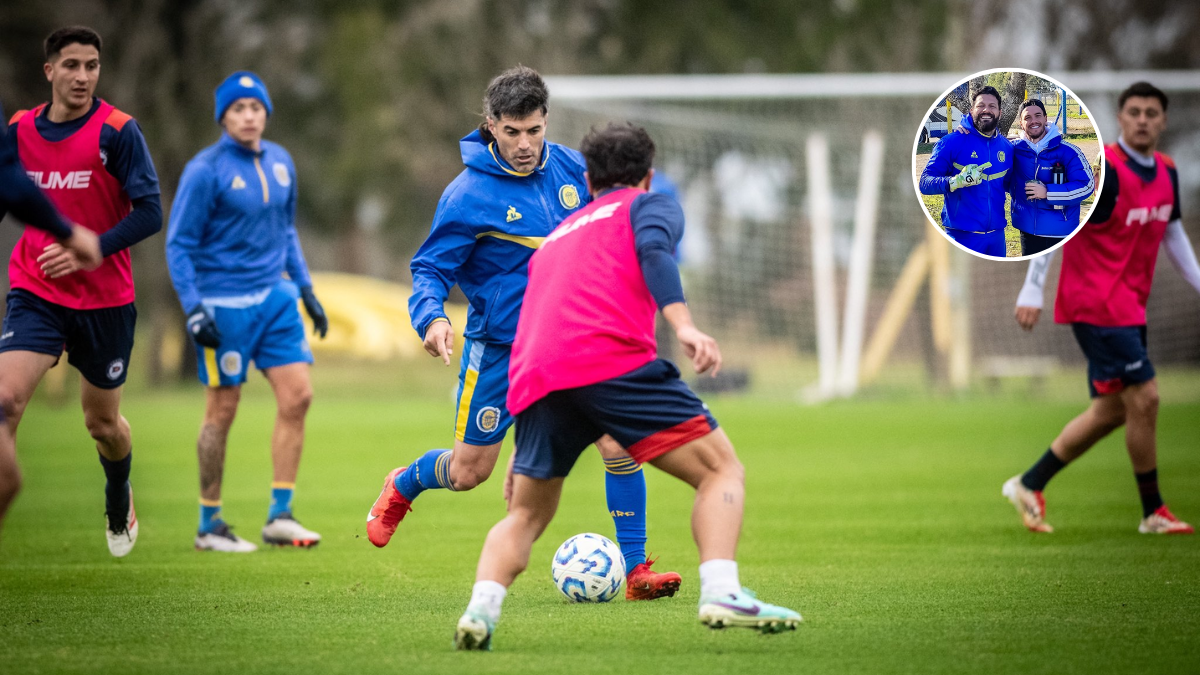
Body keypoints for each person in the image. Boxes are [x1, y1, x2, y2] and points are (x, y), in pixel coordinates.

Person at [453, 123, 802, 651]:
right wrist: (683, 325)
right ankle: (723, 592)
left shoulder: (555, 240)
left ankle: (480, 612)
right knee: (721, 469)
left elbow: (534, 325)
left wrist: (522, 437)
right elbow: (656, 254)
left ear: (588, 179)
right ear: (649, 176)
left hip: (538, 377)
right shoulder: (648, 206)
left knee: (525, 514)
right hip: (607, 360)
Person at [366, 66, 681, 600]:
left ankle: (635, 571)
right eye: (511, 132)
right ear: (491, 125)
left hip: (572, 343)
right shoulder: (466, 195)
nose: (524, 144)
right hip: (502, 349)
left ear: (546, 121)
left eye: (533, 130)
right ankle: (405, 483)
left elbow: (609, 230)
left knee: (616, 440)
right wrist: (433, 317)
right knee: (469, 473)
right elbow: (430, 269)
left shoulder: (573, 170)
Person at [1006, 81, 1200, 535]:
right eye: (1134, 111)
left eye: (1152, 112)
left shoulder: (1168, 172)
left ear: (1163, 120)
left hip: (1129, 307)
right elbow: (1055, 222)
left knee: (1113, 410)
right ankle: (1153, 511)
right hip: (1093, 303)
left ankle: (1028, 484)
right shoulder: (1103, 171)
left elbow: (1173, 236)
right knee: (1146, 397)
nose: (1143, 119)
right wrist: (1033, 289)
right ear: (1120, 117)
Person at [0, 26, 162, 556]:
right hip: (35, 290)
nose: (83, 76)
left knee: (103, 424)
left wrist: (90, 247)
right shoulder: (19, 129)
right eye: (71, 65)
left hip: (105, 302)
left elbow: (150, 213)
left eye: (91, 66)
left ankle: (119, 492)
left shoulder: (118, 131)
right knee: (5, 400)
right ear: (49, 70)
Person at [166, 71, 328, 552]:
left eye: (255, 107)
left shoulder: (281, 162)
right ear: (223, 117)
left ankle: (280, 515)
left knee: (298, 396)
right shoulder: (204, 170)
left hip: (275, 299)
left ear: (266, 113)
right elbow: (178, 245)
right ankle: (209, 524)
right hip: (224, 305)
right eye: (238, 109)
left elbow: (287, 230)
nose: (248, 116)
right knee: (223, 408)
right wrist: (193, 309)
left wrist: (305, 289)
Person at [919, 85, 1014, 257]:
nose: (986, 110)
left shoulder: (1007, 148)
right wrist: (956, 181)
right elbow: (925, 183)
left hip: (997, 238)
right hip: (961, 237)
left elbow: (1009, 186)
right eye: (980, 105)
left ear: (1000, 112)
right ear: (971, 110)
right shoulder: (951, 142)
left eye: (992, 106)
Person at [1008, 98, 1094, 256]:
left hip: (1061, 233)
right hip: (1028, 233)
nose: (1033, 121)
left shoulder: (1069, 151)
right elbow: (988, 149)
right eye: (1027, 117)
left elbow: (1087, 186)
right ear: (1020, 123)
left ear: (1046, 119)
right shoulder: (1014, 149)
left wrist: (1048, 192)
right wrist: (965, 129)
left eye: (1038, 115)